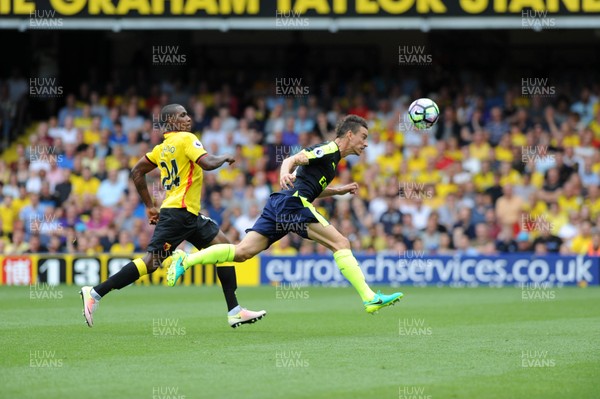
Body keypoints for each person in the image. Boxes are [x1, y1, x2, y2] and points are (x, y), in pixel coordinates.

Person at [167, 115, 403, 314]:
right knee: (341, 242)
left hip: (281, 204)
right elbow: (293, 159)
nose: (366, 143)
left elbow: (309, 185)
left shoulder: (333, 162)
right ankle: (369, 297)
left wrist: (337, 190)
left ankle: (185, 259)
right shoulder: (329, 149)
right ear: (349, 135)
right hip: (293, 204)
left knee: (241, 253)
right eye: (363, 137)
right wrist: (283, 172)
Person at [79, 104, 266, 328]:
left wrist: (149, 206)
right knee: (151, 263)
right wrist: (224, 156)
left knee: (224, 250)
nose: (188, 118)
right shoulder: (187, 139)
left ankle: (235, 310)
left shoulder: (161, 148)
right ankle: (95, 293)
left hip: (188, 214)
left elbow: (136, 172)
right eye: (182, 115)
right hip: (177, 215)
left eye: (187, 114)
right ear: (171, 122)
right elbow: (206, 163)